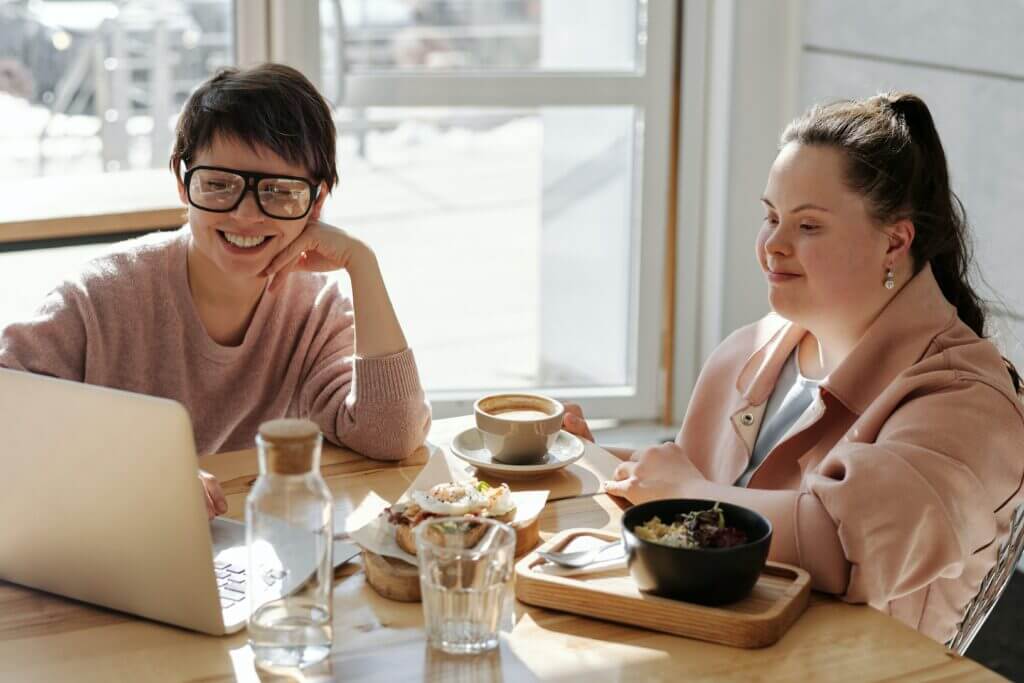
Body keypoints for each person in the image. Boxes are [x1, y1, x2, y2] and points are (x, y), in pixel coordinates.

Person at [563, 92, 1024, 643]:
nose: (772, 246)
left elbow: (839, 544)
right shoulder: (752, 349)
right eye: (772, 217)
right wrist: (588, 459)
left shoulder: (966, 402)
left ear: (895, 242)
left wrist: (680, 492)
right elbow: (704, 491)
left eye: (808, 226)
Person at [0, 64, 431, 519]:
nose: (246, 215)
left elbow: (392, 436)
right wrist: (140, 466)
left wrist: (361, 265)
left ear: (316, 203)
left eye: (279, 191)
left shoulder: (316, 310)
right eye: (220, 185)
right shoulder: (100, 294)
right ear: (183, 183)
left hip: (245, 546)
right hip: (107, 536)